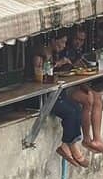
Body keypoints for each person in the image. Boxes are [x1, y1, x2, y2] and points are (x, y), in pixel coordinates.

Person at [27, 36, 88, 167]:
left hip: (52, 92)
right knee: (70, 112)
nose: (64, 45)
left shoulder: (53, 53)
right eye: (62, 41)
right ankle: (69, 144)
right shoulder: (39, 55)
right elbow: (39, 75)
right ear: (53, 40)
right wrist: (56, 65)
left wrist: (60, 65)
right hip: (39, 96)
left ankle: (68, 144)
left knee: (77, 108)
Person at [65, 29, 103, 155]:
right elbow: (64, 72)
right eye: (77, 39)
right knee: (89, 99)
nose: (78, 42)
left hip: (77, 84)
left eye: (81, 40)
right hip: (66, 88)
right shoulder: (65, 51)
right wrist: (71, 65)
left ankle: (97, 139)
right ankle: (86, 139)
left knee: (97, 97)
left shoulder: (79, 51)